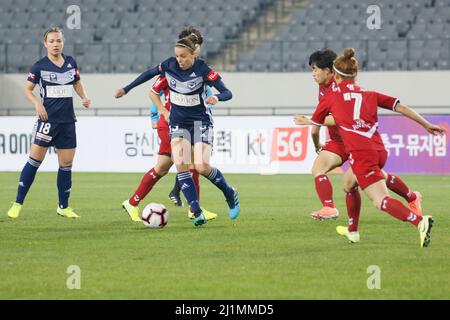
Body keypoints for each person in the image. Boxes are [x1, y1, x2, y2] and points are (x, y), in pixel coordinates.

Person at [297, 48, 446, 247]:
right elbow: (400, 106)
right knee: (349, 183)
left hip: (360, 153)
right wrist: (426, 124)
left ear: (336, 75)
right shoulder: (370, 94)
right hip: (378, 150)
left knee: (380, 201)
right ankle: (353, 232)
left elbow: (314, 130)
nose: (314, 73)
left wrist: (316, 139)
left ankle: (420, 222)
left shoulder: (331, 97)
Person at [120, 28, 218, 222]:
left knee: (163, 167)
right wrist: (156, 115)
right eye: (196, 45)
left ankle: (132, 203)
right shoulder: (173, 67)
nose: (198, 50)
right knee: (190, 162)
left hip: (186, 121)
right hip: (171, 124)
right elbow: (153, 91)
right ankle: (193, 209)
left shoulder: (197, 68)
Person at [152, 37, 240, 227]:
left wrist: (217, 97)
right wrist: (127, 89)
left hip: (201, 122)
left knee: (201, 166)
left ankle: (229, 193)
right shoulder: (170, 68)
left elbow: (228, 93)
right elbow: (148, 80)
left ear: (193, 54)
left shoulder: (203, 70)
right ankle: (197, 211)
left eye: (183, 56)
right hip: (178, 123)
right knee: (182, 165)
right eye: (177, 56)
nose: (179, 60)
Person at [7, 27, 90, 219]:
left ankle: (63, 206)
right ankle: (17, 203)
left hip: (68, 121)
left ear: (63, 42)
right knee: (34, 161)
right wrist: (37, 104)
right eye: (52, 41)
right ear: (45, 44)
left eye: (58, 41)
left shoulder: (70, 62)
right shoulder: (39, 66)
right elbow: (27, 89)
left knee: (66, 164)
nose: (55, 44)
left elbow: (77, 81)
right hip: (47, 121)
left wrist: (84, 97)